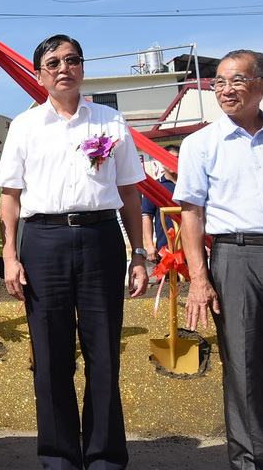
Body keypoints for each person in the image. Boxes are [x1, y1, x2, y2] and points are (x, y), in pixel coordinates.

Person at [0, 34, 148, 470]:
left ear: (82, 67)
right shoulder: (25, 125)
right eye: (54, 62)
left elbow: (129, 192)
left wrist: (139, 251)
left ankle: (104, 457)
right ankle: (59, 456)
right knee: (50, 357)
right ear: (39, 72)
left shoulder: (109, 120)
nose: (65, 68)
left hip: (101, 240)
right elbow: (10, 195)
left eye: (73, 59)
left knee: (103, 354)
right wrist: (10, 253)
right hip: (43, 242)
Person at [173, 49, 263, 469]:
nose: (226, 90)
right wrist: (199, 278)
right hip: (236, 255)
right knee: (243, 364)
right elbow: (191, 212)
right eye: (219, 83)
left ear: (260, 83)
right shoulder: (200, 143)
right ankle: (249, 460)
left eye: (237, 80)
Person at [140, 145, 180, 264]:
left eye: (177, 158)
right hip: (166, 249)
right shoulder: (156, 188)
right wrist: (149, 245)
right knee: (169, 282)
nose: (174, 161)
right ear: (162, 163)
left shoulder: (191, 185)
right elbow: (147, 216)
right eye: (169, 158)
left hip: (194, 247)